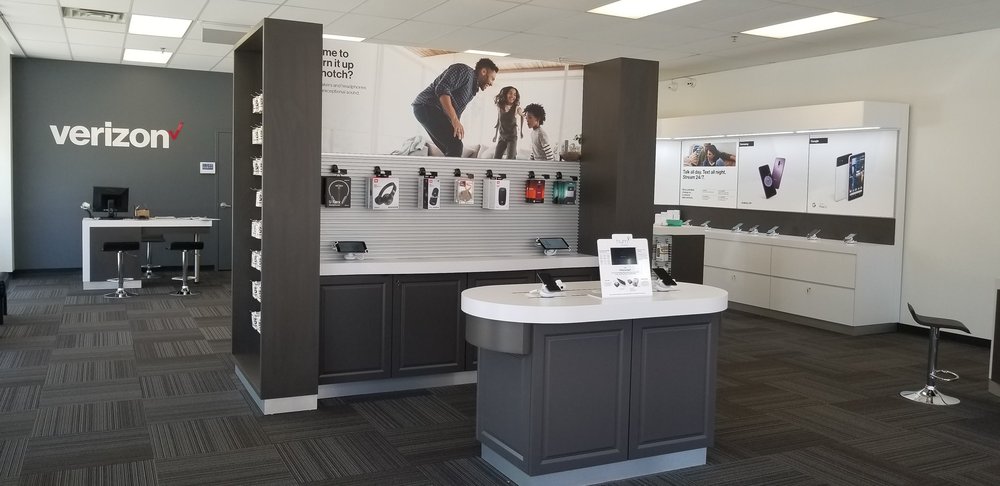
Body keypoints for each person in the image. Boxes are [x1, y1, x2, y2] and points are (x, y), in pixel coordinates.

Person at [412, 58, 498, 157]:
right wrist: (454, 120)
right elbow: (441, 88)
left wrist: (455, 125)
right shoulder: (465, 71)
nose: (491, 83)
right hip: (427, 105)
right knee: (455, 146)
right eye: (492, 78)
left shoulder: (472, 89)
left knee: (452, 148)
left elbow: (455, 109)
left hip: (430, 109)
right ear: (483, 71)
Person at [492, 86, 523, 159]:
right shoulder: (500, 107)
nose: (513, 96)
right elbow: (499, 121)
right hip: (502, 137)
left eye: (515, 94)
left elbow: (522, 116)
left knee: (510, 158)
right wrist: (495, 135)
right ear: (505, 94)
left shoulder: (516, 108)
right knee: (496, 158)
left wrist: (521, 131)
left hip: (512, 138)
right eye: (510, 93)